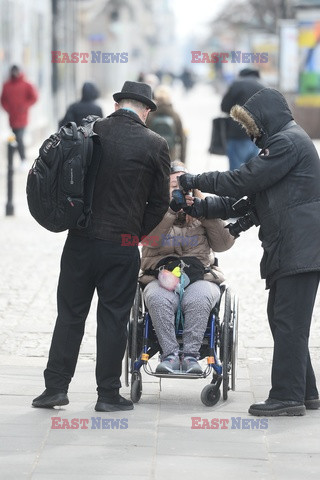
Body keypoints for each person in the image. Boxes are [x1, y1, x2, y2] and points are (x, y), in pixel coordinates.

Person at [178, 87, 320, 416]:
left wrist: (196, 179)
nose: (252, 133)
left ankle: (287, 396)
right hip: (292, 247)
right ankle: (306, 391)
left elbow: (243, 181)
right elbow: (249, 202)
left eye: (253, 125)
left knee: (288, 322)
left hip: (299, 247)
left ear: (265, 119)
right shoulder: (284, 142)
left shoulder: (287, 142)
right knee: (286, 321)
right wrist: (200, 206)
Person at [32, 81, 171, 412]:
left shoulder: (90, 132)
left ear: (117, 104)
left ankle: (55, 389)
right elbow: (160, 202)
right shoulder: (155, 144)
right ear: (146, 110)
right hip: (121, 245)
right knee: (113, 318)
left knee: (69, 315)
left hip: (80, 240)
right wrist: (134, 233)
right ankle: (107, 395)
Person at [139, 161, 235, 374]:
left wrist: (203, 213)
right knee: (157, 298)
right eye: (174, 185)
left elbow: (224, 244)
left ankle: (191, 356)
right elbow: (149, 241)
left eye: (184, 185)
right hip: (160, 277)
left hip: (200, 276)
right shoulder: (153, 211)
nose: (180, 190)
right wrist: (171, 211)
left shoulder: (203, 211)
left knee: (199, 298)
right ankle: (170, 355)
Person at [221, 68, 264, 170]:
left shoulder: (237, 85)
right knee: (251, 172)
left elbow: (224, 106)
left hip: (238, 134)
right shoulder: (263, 86)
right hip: (257, 137)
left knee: (235, 172)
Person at [1, 65, 38, 168]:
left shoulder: (26, 84)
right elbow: (3, 100)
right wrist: (9, 109)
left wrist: (25, 106)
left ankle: (22, 160)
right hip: (12, 118)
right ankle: (15, 161)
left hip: (22, 117)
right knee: (15, 139)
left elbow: (34, 97)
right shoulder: (6, 85)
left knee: (19, 138)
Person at [147, 85, 187, 163]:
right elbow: (182, 139)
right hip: (170, 156)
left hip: (151, 155)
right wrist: (182, 162)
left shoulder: (150, 114)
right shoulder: (175, 115)